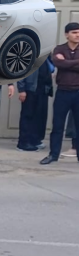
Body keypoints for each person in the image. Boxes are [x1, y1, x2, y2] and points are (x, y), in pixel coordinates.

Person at [41, 22, 79, 164]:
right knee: (57, 126)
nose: (77, 35)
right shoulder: (59, 48)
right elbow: (58, 63)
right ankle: (53, 155)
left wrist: (67, 62)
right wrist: (74, 63)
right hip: (63, 92)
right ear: (66, 34)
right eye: (74, 32)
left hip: (78, 92)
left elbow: (64, 64)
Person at [16, 55, 54, 151]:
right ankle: (23, 143)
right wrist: (21, 89)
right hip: (30, 89)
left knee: (39, 117)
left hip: (43, 89)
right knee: (28, 116)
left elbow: (51, 67)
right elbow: (20, 71)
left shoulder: (47, 54)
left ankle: (35, 141)